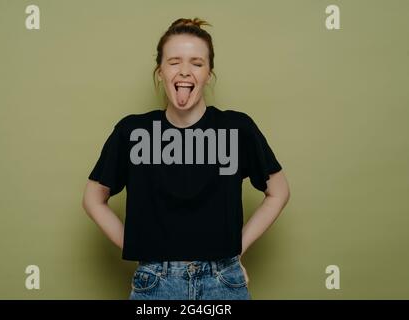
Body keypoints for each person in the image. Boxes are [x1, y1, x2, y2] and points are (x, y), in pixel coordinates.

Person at [82, 17, 290, 300]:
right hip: (155, 284)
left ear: (208, 73)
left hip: (223, 282)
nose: (184, 72)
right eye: (174, 61)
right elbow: (93, 199)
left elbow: (278, 192)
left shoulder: (237, 128)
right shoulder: (132, 131)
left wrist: (236, 247)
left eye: (197, 62)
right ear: (160, 72)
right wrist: (139, 247)